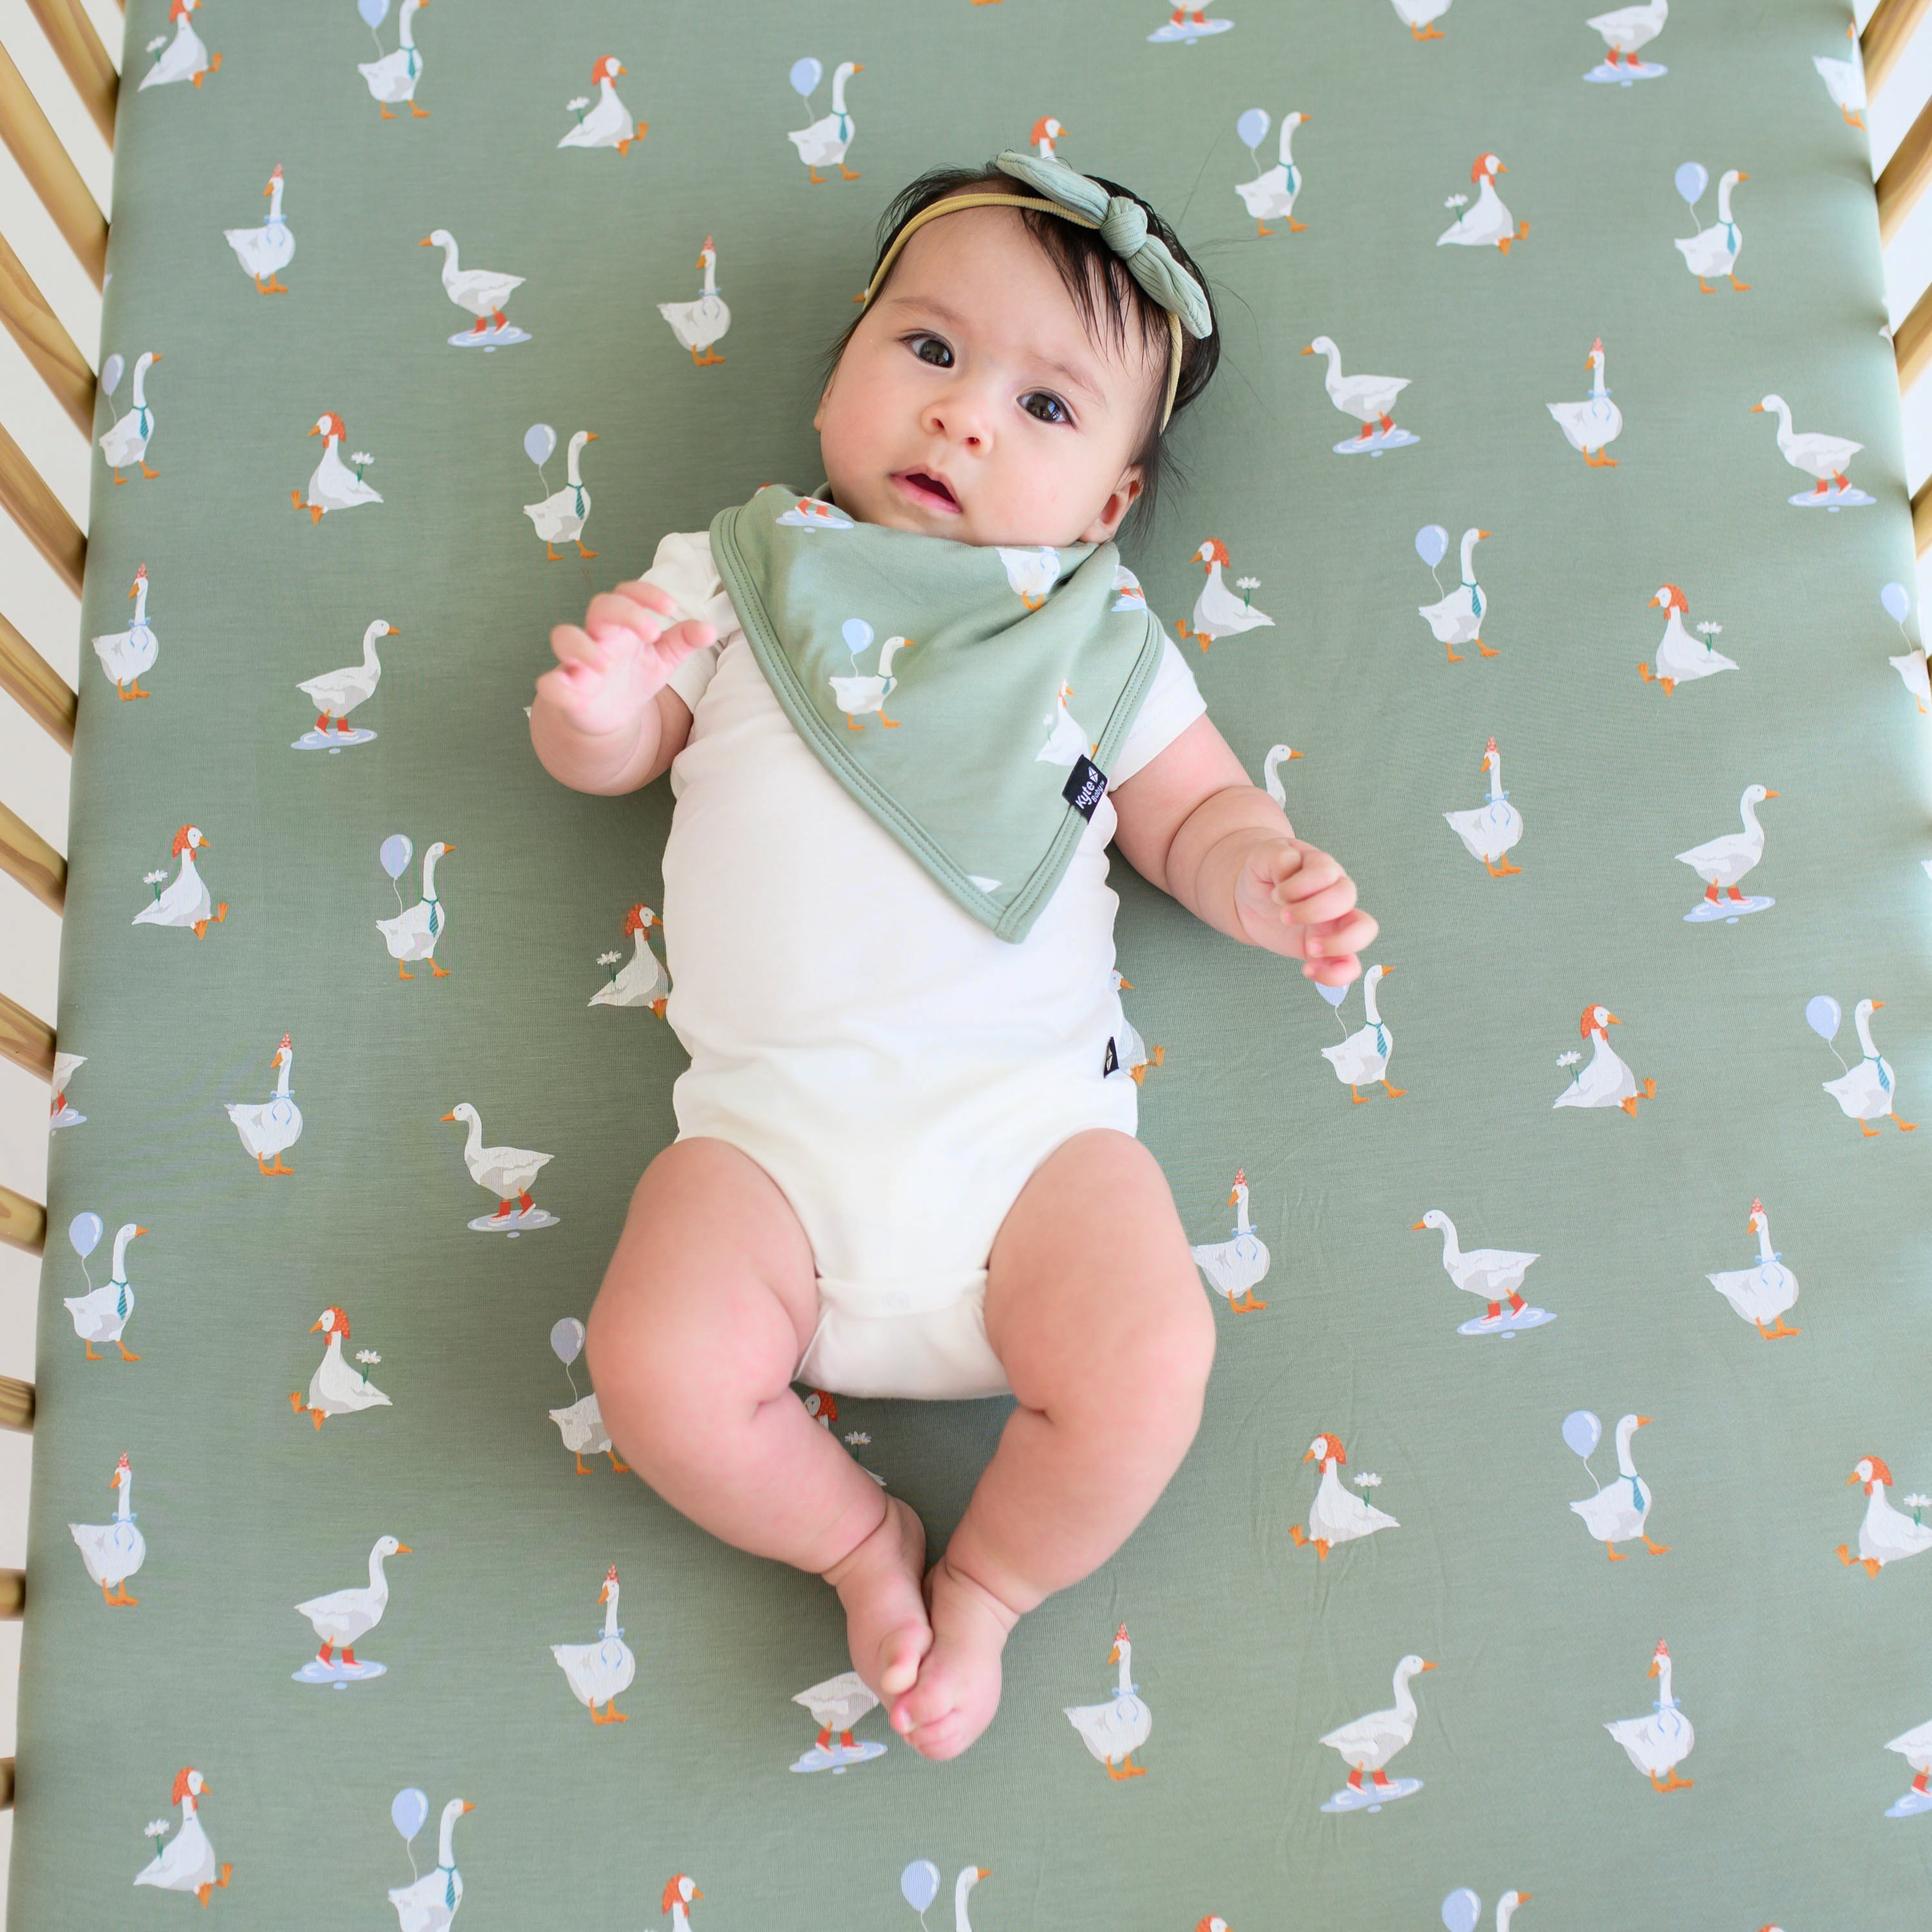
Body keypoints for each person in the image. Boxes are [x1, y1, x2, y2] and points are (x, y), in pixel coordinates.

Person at [528, 151, 1378, 1761]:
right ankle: (859, 1545)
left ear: (1113, 503)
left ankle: (985, 1590)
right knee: (649, 1362)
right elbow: (626, 744)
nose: (965, 417)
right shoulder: (736, 574)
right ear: (844, 359)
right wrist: (592, 712)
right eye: (929, 351)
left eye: (1048, 408)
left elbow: (1192, 814)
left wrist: (1262, 876)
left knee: (1154, 1358)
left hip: (1030, 1157)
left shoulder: (1098, 634)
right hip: (767, 1160)